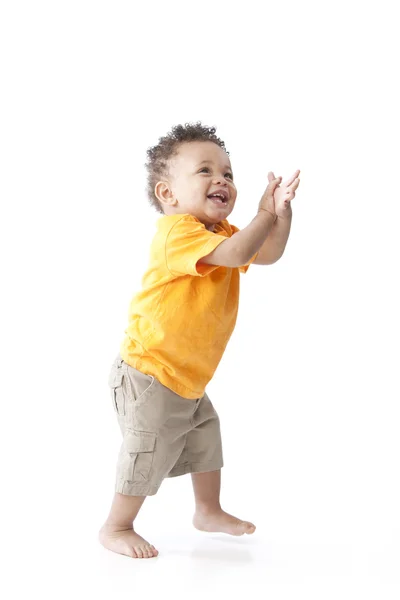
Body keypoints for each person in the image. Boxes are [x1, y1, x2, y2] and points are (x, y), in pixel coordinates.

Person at [99, 122, 300, 559]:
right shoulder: (178, 233)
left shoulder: (221, 232)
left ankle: (207, 510)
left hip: (185, 377)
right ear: (167, 194)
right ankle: (117, 526)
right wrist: (262, 217)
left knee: (206, 435)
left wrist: (280, 214)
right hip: (149, 373)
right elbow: (240, 253)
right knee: (146, 450)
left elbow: (266, 252)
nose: (222, 180)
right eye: (205, 171)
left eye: (227, 173)